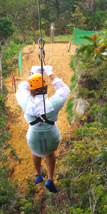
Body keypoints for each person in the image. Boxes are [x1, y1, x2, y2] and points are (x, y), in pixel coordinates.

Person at [15, 65, 70, 193]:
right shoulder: (53, 104)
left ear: (31, 91)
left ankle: (38, 174)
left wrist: (32, 74)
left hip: (34, 137)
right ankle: (50, 179)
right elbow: (64, 90)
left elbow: (21, 88)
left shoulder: (25, 102)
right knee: (49, 153)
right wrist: (50, 73)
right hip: (51, 136)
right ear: (46, 89)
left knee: (36, 152)